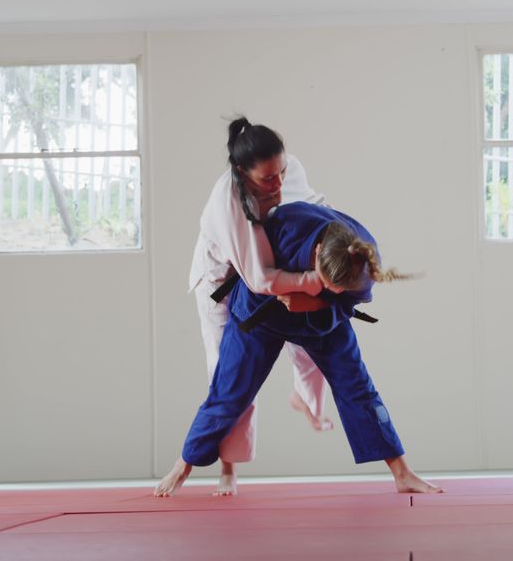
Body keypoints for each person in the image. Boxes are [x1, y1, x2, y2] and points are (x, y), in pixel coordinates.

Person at [156, 201, 443, 496]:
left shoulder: (362, 259)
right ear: (317, 252)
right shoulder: (284, 228)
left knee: (357, 387)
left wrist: (319, 301)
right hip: (261, 310)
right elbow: (253, 275)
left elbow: (347, 303)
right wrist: (289, 291)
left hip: (324, 319)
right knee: (230, 390)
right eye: (328, 283)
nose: (334, 290)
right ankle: (184, 464)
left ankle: (402, 473)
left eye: (339, 288)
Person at [185, 117, 333, 495]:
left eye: (281, 172)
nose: (278, 183)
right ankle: (228, 470)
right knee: (230, 376)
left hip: (274, 269)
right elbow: (259, 278)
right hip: (225, 284)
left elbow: (315, 207)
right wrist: (310, 281)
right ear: (241, 172)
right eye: (268, 179)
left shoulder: (287, 169)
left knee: (313, 337)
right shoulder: (227, 203)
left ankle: (305, 398)